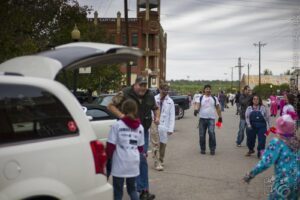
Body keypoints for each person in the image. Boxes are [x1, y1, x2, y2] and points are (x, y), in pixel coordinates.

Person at [108, 76, 159, 200]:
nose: (142, 88)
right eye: (140, 85)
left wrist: (157, 117)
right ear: (135, 85)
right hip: (125, 129)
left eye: (144, 85)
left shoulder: (150, 95)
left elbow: (156, 108)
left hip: (142, 130)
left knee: (142, 159)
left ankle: (143, 190)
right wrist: (121, 116)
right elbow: (110, 106)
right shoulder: (125, 93)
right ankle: (133, 187)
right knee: (127, 156)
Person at [243, 114, 300, 199]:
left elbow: (265, 162)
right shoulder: (296, 142)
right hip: (297, 182)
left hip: (283, 183)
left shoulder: (277, 142)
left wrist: (251, 174)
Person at [106, 99, 145, 200]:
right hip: (133, 162)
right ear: (135, 110)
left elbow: (110, 146)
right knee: (132, 190)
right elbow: (140, 148)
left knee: (118, 192)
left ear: (123, 110)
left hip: (120, 163)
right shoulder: (140, 127)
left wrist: (108, 159)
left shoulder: (117, 125)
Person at [150, 82, 175, 171]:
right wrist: (152, 122)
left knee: (163, 144)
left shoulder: (170, 101)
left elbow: (172, 115)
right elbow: (151, 111)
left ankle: (161, 159)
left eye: (167, 90)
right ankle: (157, 162)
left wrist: (171, 128)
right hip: (154, 123)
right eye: (164, 90)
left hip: (165, 125)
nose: (166, 92)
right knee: (155, 144)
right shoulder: (154, 98)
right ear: (160, 89)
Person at [194, 84, 222, 155]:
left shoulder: (214, 98)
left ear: (211, 90)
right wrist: (196, 110)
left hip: (211, 119)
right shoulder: (200, 98)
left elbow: (218, 108)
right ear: (204, 90)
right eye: (206, 89)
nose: (208, 90)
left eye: (209, 89)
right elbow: (198, 105)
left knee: (211, 133)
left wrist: (220, 117)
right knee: (201, 135)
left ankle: (212, 149)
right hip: (202, 119)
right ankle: (202, 149)